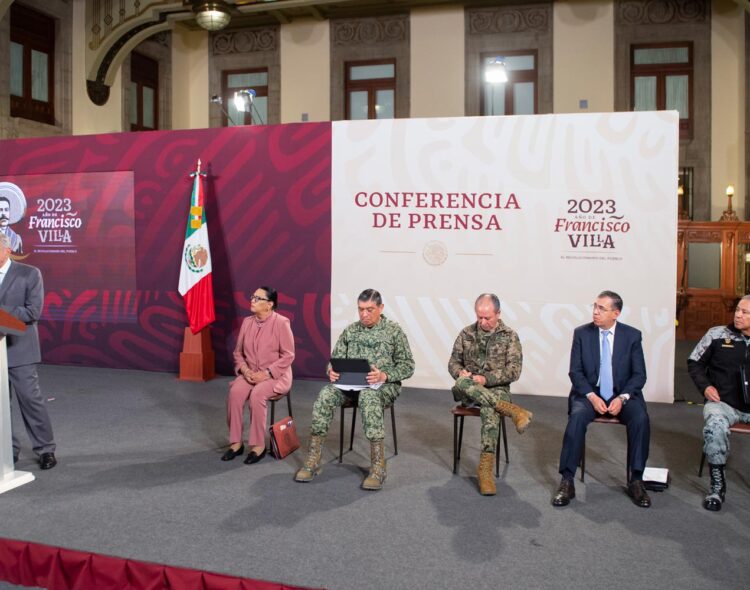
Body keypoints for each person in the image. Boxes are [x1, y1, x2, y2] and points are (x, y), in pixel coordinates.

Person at [295, 288, 414, 490]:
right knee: (325, 394)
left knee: (369, 396)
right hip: (349, 386)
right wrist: (331, 371)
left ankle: (378, 466)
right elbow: (334, 361)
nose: (364, 315)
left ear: (381, 308)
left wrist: (385, 375)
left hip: (382, 387)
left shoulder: (394, 331)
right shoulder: (350, 331)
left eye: (370, 310)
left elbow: (408, 365)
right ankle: (313, 459)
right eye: (360, 309)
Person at [551, 290, 651, 508]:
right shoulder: (582, 333)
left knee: (641, 419)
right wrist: (591, 396)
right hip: (589, 392)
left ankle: (636, 480)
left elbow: (639, 375)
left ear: (616, 313)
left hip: (622, 393)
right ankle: (567, 480)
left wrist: (623, 397)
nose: (595, 312)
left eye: (601, 309)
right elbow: (575, 372)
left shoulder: (632, 336)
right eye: (594, 307)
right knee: (577, 418)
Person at [448, 293, 532, 496]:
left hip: (497, 389)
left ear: (498, 314)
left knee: (489, 410)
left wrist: (486, 380)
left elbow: (514, 371)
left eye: (488, 318)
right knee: (462, 383)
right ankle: (513, 411)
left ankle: (485, 470)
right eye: (479, 317)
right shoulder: (466, 333)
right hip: (467, 388)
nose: (483, 322)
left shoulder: (509, 336)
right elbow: (453, 362)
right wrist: (461, 372)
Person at [687, 295, 750, 511]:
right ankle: (717, 487)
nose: (738, 315)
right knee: (714, 427)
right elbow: (694, 362)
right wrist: (705, 386)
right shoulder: (717, 334)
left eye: (745, 312)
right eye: (738, 310)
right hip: (723, 403)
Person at [0, 234, 56, 469]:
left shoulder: (29, 274)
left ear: (7, 249)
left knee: (31, 401)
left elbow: (32, 313)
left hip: (20, 350)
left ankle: (45, 449)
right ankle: (7, 450)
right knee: (2, 406)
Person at [222, 286, 295, 464]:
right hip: (251, 374)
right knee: (235, 394)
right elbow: (238, 353)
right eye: (252, 297)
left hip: (276, 376)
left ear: (269, 304)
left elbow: (288, 355)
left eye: (257, 298)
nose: (252, 300)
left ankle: (258, 446)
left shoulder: (281, 322)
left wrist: (267, 373)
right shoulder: (247, 322)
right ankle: (236, 443)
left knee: (257, 395)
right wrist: (245, 371)